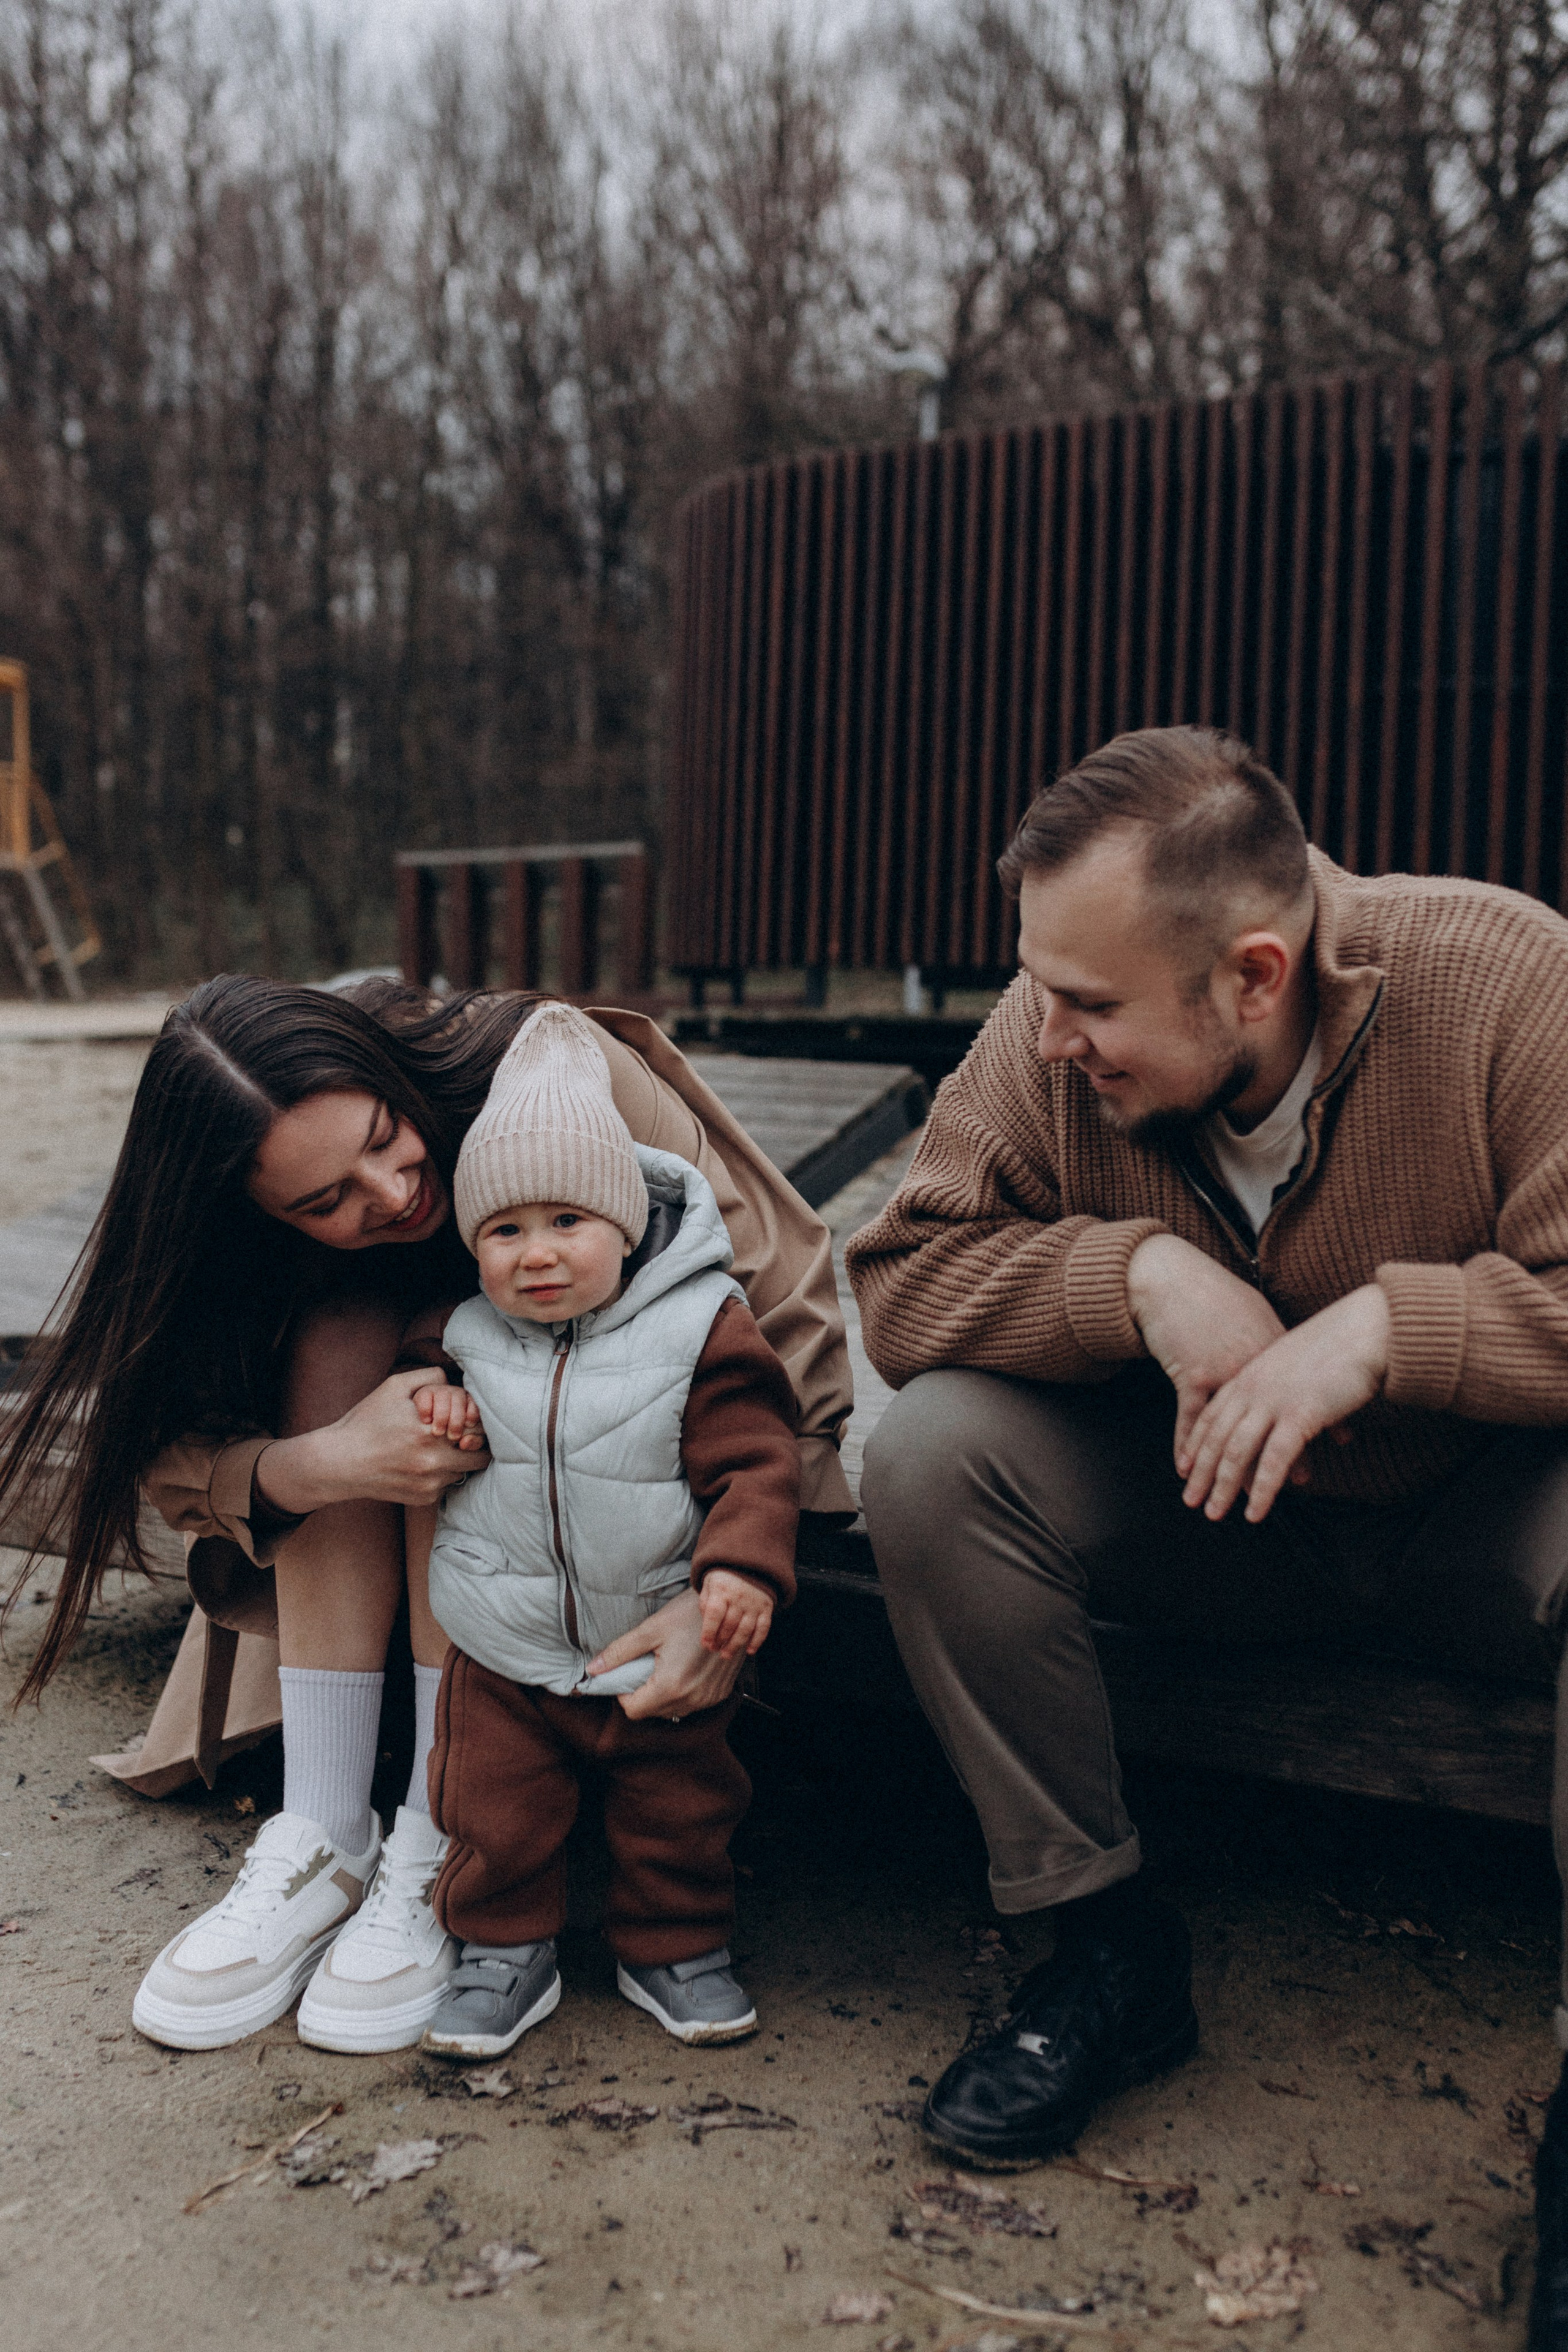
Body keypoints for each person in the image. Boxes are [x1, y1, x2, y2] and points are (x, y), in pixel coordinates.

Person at [845, 726, 1568, 2348]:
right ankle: (1101, 1954)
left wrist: (1388, 1329)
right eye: (1038, 986)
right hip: (1219, 1529)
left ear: (1253, 974)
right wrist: (1135, 1278)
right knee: (935, 1452)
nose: (1046, 1035)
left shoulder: (1512, 983)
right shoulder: (1050, 1031)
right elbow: (900, 1286)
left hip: (1489, 1528)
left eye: (1089, 1005)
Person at [2, 974, 851, 2057]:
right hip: (422, 1542)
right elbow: (168, 1449)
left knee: (454, 1361)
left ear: (391, 1079)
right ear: (256, 1212)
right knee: (355, 1330)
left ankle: (434, 1837)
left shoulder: (551, 1081)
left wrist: (719, 1586)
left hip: (645, 1504)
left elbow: (763, 1327)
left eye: (384, 1137)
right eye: (324, 1204)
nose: (393, 1192)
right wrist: (321, 1462)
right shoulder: (253, 1236)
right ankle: (323, 1829)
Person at [349, 1001, 799, 2061]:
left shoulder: (701, 1326)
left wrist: (740, 1573)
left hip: (648, 1630)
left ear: (625, 1225)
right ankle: (504, 1951)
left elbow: (757, 1460)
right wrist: (434, 1398)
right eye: (504, 1231)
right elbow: (422, 1378)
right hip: (502, 1647)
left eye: (567, 1223)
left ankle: (675, 1947)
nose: (535, 1255)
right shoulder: (462, 1334)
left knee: (679, 1811)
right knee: (493, 1812)